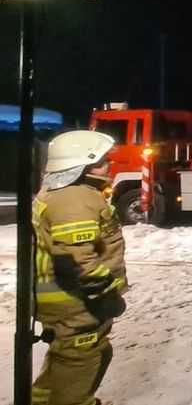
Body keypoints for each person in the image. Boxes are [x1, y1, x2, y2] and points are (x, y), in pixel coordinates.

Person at [32, 130, 128, 405]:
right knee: (81, 359)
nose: (109, 164)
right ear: (80, 166)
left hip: (66, 300)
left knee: (66, 357)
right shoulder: (74, 200)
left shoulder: (65, 194)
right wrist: (105, 294)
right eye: (101, 161)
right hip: (76, 301)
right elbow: (76, 258)